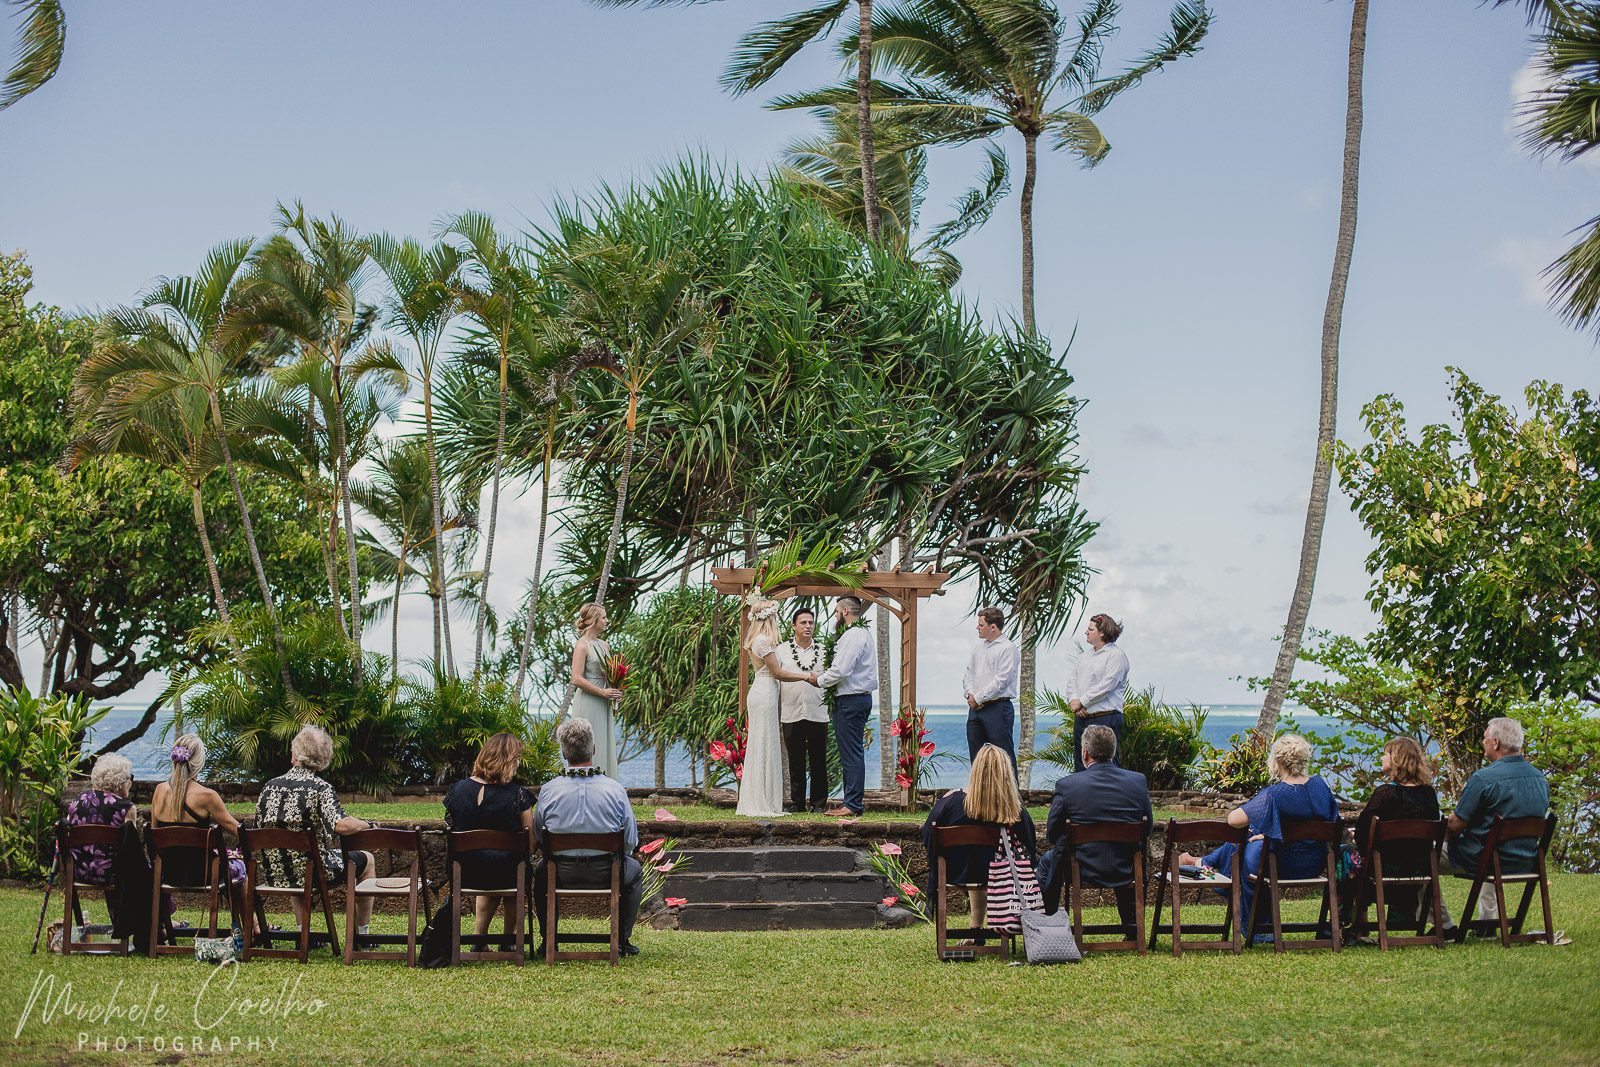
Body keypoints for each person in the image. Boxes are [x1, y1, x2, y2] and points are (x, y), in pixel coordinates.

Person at [1176, 734, 1337, 934]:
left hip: (1280, 865)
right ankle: (1201, 862)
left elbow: (1233, 820)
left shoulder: (1275, 793)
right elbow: (1331, 822)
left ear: (1277, 761)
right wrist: (1274, 834)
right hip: (1315, 863)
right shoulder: (1320, 786)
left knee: (1246, 840)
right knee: (1255, 836)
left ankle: (1202, 864)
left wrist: (1269, 833)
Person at [534, 718, 644, 956]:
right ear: (593, 749)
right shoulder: (615, 790)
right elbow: (629, 841)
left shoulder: (549, 790)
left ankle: (548, 940)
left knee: (540, 872)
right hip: (607, 872)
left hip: (559, 873)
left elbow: (540, 837)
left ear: (564, 752)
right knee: (634, 871)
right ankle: (622, 940)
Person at [255, 726, 376, 933]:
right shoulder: (319, 788)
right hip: (314, 872)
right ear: (324, 759)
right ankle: (362, 934)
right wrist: (368, 824)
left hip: (275, 873)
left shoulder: (269, 786)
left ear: (294, 754)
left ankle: (306, 934)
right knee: (368, 860)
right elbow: (342, 824)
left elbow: (258, 828)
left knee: (299, 860)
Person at [1039, 724, 1153, 932]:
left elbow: (1052, 833)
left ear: (1085, 753)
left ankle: (1047, 925)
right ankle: (1131, 928)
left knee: (1047, 863)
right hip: (1125, 868)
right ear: (1113, 751)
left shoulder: (1067, 785)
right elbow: (1148, 828)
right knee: (1127, 851)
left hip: (1081, 869)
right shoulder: (1137, 782)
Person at [1442, 717, 1549, 923]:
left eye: (1485, 738)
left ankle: (1444, 924)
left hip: (1486, 858)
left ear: (1496, 743)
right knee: (1491, 843)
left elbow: (1454, 827)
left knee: (1420, 854)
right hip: (1526, 859)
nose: (1483, 743)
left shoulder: (1484, 779)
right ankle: (1487, 925)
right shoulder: (1540, 779)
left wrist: (1435, 834)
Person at [921, 744, 1037, 932]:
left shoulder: (951, 801)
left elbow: (929, 836)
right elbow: (1030, 846)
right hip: (1001, 875)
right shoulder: (1015, 809)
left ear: (975, 771)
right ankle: (986, 930)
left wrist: (937, 861)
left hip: (954, 872)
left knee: (975, 859)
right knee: (985, 861)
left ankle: (976, 930)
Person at [444, 733, 534, 944]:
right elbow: (530, 840)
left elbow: (450, 826)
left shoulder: (456, 790)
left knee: (491, 861)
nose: (519, 763)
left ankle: (480, 940)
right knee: (514, 866)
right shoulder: (518, 795)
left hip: (464, 872)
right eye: (517, 758)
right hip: (506, 873)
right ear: (509, 761)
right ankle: (508, 941)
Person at [1341, 736, 1440, 930]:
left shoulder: (1386, 793)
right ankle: (1400, 921)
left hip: (1380, 872)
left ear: (1397, 760)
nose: (1381, 758)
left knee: (1342, 855)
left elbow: (1362, 832)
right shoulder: (1429, 794)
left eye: (1385, 754)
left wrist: (1360, 840)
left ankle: (1348, 926)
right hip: (1418, 871)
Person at [737, 595, 818, 818]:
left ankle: (762, 797)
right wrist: (804, 677)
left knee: (763, 743)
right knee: (763, 743)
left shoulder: (759, 640)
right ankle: (761, 801)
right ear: (769, 618)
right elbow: (777, 672)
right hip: (764, 692)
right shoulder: (762, 641)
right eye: (774, 615)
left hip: (763, 691)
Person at [150, 734, 246, 919]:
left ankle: (162, 926)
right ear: (199, 762)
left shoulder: (159, 791)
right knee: (240, 868)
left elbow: (155, 837)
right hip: (203, 874)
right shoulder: (206, 796)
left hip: (167, 873)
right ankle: (253, 928)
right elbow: (237, 830)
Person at [810, 595, 876, 817]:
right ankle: (852, 802)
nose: (836, 615)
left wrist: (817, 680)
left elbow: (840, 670)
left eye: (837, 611)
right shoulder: (860, 633)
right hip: (855, 699)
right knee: (852, 752)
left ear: (845, 611)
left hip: (851, 701)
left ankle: (853, 804)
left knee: (851, 754)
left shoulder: (853, 635)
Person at [776, 606, 829, 813]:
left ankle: (818, 805)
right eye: (803, 623)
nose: (808, 626)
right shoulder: (781, 651)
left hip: (818, 712)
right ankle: (797, 804)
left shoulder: (824, 651)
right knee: (795, 762)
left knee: (818, 761)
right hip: (791, 712)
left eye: (811, 623)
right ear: (793, 626)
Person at [1066, 613, 1130, 773]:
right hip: (1082, 718)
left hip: (1106, 718)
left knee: (1108, 766)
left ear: (1102, 632)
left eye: (1090, 629)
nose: (1086, 632)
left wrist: (1083, 701)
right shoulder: (1084, 656)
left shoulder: (1116, 656)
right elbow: (1072, 680)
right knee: (1081, 765)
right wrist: (1074, 701)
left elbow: (1107, 685)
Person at [63, 754, 136, 892]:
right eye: (130, 778)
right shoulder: (126, 807)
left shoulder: (78, 801)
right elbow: (132, 849)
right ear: (121, 784)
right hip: (115, 875)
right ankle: (158, 913)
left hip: (79, 872)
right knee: (149, 872)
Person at [569, 602, 623, 778]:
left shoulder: (604, 645)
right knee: (588, 742)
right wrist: (602, 693)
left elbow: (607, 674)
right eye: (604, 617)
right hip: (589, 701)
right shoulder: (582, 645)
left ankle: (605, 785)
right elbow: (576, 678)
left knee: (603, 742)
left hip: (604, 701)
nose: (607, 620)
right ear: (593, 620)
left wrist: (615, 689)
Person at [962, 607, 1020, 768]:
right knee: (977, 758)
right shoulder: (978, 648)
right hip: (975, 709)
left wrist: (978, 697)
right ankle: (980, 792)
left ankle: (1010, 793)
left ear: (993, 627)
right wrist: (971, 695)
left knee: (1004, 758)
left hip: (998, 708)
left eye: (981, 625)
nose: (977, 628)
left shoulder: (1008, 648)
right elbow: (968, 674)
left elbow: (1002, 680)